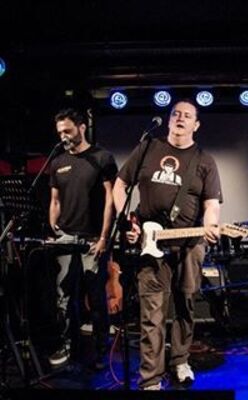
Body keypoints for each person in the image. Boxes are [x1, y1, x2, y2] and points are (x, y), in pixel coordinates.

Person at [113, 99, 222, 390]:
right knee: (152, 312)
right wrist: (128, 221)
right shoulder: (148, 148)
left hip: (189, 245)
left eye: (187, 115)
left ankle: (180, 360)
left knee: (186, 305)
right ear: (169, 119)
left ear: (196, 125)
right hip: (150, 243)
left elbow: (212, 204)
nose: (180, 118)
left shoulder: (205, 160)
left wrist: (212, 225)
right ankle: (150, 377)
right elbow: (120, 185)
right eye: (175, 114)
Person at [48, 108, 117, 369]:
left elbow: (110, 199)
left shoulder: (102, 157)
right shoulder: (57, 162)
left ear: (82, 127)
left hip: (92, 238)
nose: (63, 136)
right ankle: (68, 344)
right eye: (60, 132)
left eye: (67, 130)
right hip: (66, 237)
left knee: (96, 297)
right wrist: (53, 226)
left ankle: (101, 349)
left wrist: (104, 237)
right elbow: (55, 200)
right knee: (64, 295)